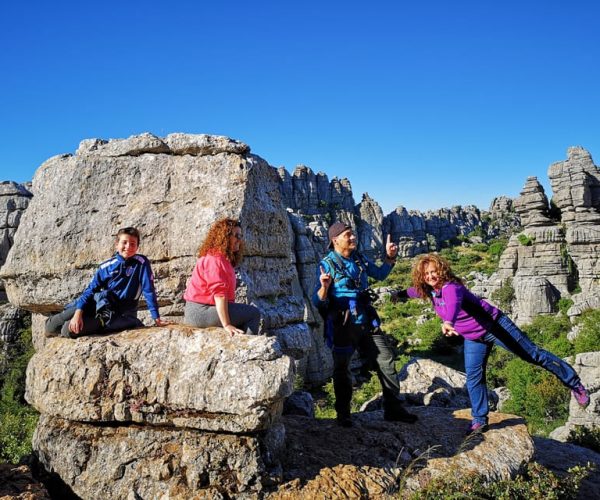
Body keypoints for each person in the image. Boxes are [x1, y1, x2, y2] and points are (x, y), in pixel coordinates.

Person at [395, 253, 590, 434]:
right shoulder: (431, 291)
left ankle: (575, 384)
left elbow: (453, 304)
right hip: (473, 338)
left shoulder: (451, 288)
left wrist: (448, 322)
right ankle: (479, 420)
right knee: (474, 377)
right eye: (426, 274)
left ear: (442, 270)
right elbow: (413, 292)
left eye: (433, 272)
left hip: (495, 327)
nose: (430, 276)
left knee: (533, 355)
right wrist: (398, 295)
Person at [312, 221, 418, 427]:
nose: (353, 238)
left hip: (366, 319)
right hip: (343, 324)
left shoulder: (358, 258)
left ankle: (393, 408)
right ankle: (343, 415)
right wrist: (324, 287)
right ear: (335, 240)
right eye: (348, 235)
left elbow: (379, 274)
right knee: (342, 369)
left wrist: (390, 257)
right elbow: (318, 301)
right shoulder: (326, 264)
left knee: (386, 359)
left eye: (353, 235)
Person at [45, 227, 165, 338]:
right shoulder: (106, 266)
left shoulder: (141, 263)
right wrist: (78, 314)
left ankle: (87, 323)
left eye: (132, 244)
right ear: (117, 244)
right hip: (100, 304)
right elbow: (90, 290)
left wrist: (156, 318)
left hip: (116, 316)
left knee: (67, 330)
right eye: (124, 242)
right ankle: (63, 318)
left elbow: (149, 290)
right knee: (51, 326)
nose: (128, 246)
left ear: (137, 247)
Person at [183, 218, 261, 335]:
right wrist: (227, 324)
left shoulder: (221, 258)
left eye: (241, 236)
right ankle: (247, 348)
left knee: (243, 316)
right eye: (236, 236)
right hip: (200, 312)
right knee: (253, 313)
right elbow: (219, 295)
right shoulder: (215, 259)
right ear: (225, 237)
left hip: (204, 309)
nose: (239, 240)